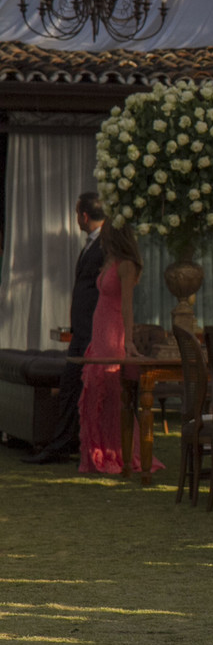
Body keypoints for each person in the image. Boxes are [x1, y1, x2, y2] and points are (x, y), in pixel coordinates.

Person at [24, 192, 105, 464]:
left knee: (72, 385)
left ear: (83, 215)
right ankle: (65, 442)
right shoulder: (93, 244)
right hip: (82, 329)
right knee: (72, 386)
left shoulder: (104, 245)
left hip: (91, 331)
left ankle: (60, 445)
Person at [77, 220, 164, 475]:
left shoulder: (126, 265)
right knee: (94, 392)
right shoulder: (110, 262)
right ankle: (97, 453)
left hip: (113, 332)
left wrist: (127, 342)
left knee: (113, 396)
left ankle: (121, 452)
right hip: (100, 330)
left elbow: (127, 305)